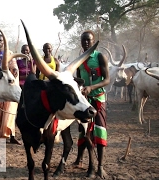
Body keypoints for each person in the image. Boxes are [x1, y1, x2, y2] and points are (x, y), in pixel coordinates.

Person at [74, 30, 110, 178]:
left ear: (93, 41)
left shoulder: (100, 56)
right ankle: (83, 161)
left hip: (98, 99)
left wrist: (91, 87)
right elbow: (78, 79)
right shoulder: (79, 59)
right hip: (85, 101)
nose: (86, 43)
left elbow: (107, 79)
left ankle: (100, 166)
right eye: (84, 41)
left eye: (89, 40)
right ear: (81, 42)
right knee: (84, 130)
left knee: (99, 130)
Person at [0, 34, 21, 145]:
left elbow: (14, 67)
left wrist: (15, 71)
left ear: (4, 42)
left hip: (7, 86)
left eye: (1, 41)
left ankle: (11, 136)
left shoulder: (9, 54)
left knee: (10, 110)